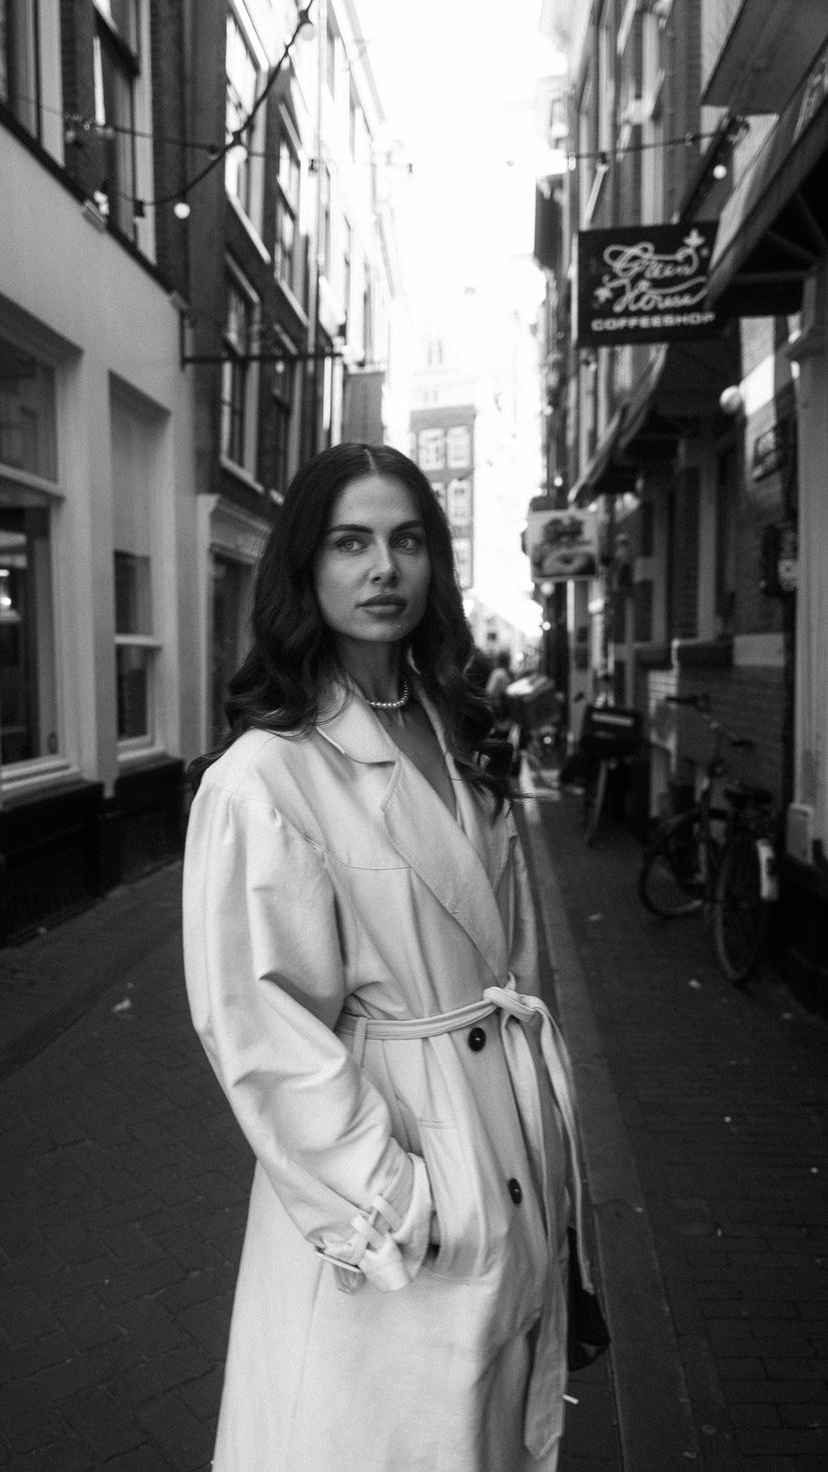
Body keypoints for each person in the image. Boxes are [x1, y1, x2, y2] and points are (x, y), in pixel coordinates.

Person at [182, 443, 594, 1472]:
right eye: (351, 541)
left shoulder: (457, 732)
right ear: (305, 566)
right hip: (399, 1180)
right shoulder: (263, 777)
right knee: (376, 1435)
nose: (383, 569)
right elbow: (259, 1027)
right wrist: (395, 1199)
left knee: (485, 1430)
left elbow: (509, 956)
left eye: (407, 540)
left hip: (502, 1143)